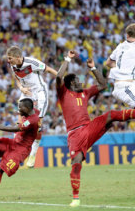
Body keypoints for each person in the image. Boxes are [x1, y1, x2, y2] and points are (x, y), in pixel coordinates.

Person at [56, 50, 135, 207]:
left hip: (88, 127)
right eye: (77, 80)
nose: (80, 82)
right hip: (74, 135)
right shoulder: (64, 93)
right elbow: (59, 77)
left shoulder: (85, 93)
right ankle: (76, 198)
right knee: (76, 163)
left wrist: (93, 68)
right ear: (71, 83)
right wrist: (67, 59)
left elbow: (103, 85)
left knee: (111, 114)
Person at [0, 98, 40, 203]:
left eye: (20, 107)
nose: (18, 110)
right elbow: (37, 110)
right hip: (14, 143)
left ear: (27, 108)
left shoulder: (31, 121)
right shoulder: (32, 112)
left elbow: (16, 129)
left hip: (21, 150)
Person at [6, 45, 57, 168]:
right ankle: (16, 150)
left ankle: (33, 154)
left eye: (10, 58)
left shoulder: (31, 63)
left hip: (39, 92)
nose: (8, 61)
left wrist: (63, 79)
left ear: (18, 57)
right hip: (27, 93)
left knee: (38, 125)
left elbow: (49, 69)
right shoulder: (13, 65)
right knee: (20, 122)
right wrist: (21, 88)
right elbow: (17, 79)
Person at [106, 23, 135, 108]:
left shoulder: (120, 46)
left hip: (126, 85)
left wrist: (121, 68)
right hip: (125, 87)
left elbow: (108, 62)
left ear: (127, 35)